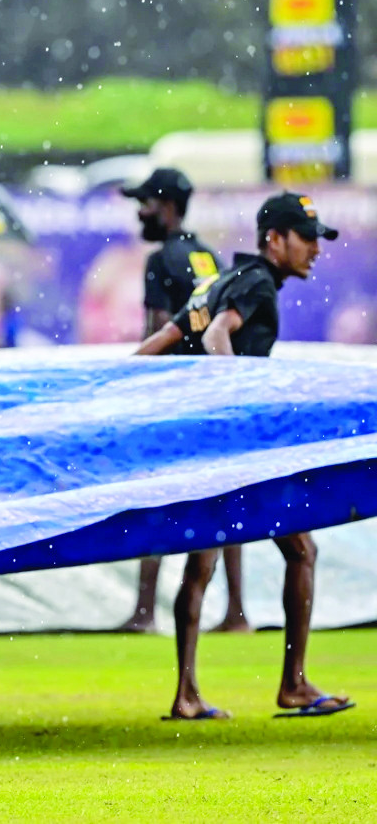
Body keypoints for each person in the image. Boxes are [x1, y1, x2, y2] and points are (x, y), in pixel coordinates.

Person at [136, 192, 355, 720]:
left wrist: (116, 394)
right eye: (306, 238)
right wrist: (240, 410)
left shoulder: (218, 281)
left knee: (201, 561)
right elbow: (215, 338)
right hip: (232, 444)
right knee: (301, 552)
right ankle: (294, 685)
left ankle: (186, 695)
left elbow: (163, 339)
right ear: (274, 239)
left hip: (199, 443)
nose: (315, 251)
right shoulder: (258, 284)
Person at [117, 169, 248, 634]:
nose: (139, 212)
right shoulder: (206, 255)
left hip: (172, 395)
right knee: (224, 497)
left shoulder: (160, 260)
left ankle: (145, 611)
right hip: (211, 393)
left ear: (166, 205)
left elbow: (156, 331)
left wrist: (135, 387)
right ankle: (236, 612)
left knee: (152, 494)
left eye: (145, 202)